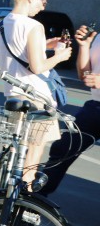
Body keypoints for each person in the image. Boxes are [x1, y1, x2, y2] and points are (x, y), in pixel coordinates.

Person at [0, 0, 70, 184]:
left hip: (13, 94)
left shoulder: (2, 24)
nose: (42, 7)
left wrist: (45, 44)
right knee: (32, 158)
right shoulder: (34, 26)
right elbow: (37, 67)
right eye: (42, 2)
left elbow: (18, 52)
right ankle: (22, 195)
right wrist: (60, 56)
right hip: (36, 97)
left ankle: (2, 191)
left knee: (14, 148)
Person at [40, 23, 100, 198]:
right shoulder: (98, 38)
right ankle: (34, 202)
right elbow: (84, 75)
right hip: (95, 107)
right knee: (63, 149)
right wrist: (85, 46)